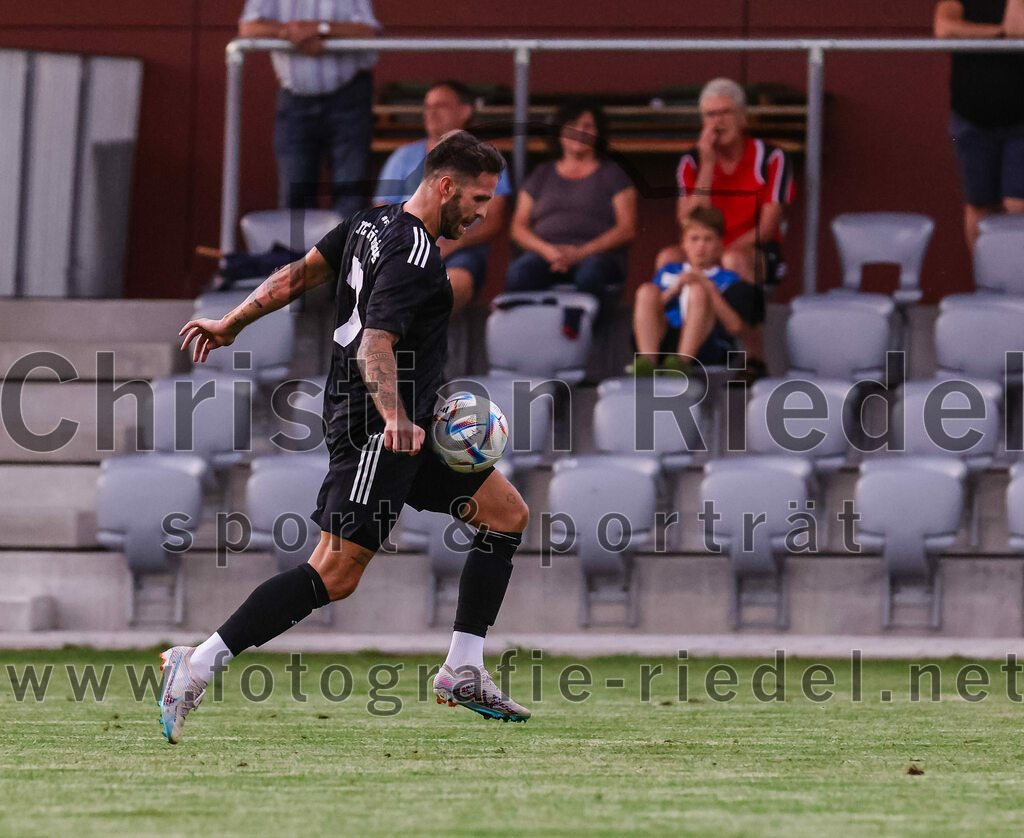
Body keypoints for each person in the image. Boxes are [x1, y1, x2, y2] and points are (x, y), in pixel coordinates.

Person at [161, 131, 530, 744]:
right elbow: (374, 344)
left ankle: (463, 667)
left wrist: (231, 322)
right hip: (377, 432)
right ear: (446, 187)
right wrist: (394, 417)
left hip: (408, 429)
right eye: (479, 199)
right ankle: (196, 664)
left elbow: (299, 274)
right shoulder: (415, 256)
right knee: (334, 574)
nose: (483, 213)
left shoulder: (370, 223)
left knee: (506, 513)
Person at [658, 78, 794, 376]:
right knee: (668, 258)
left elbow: (767, 226)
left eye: (725, 113)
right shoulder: (692, 160)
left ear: (742, 117)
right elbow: (688, 221)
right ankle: (671, 351)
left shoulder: (772, 157)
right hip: (704, 245)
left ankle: (754, 357)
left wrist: (720, 253)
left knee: (734, 260)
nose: (717, 122)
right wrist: (708, 165)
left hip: (754, 249)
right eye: (710, 115)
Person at [373, 82, 512, 312]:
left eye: (441, 106)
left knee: (453, 284)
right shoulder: (402, 157)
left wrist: (456, 242)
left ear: (465, 111)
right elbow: (382, 213)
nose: (431, 112)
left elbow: (494, 218)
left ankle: (417, 329)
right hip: (405, 248)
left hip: (461, 250)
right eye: (427, 107)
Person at [239, 0, 381, 218]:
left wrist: (320, 29)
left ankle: (347, 242)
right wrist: (291, 33)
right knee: (295, 194)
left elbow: (367, 31)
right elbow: (248, 27)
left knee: (350, 192)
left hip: (348, 98)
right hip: (295, 102)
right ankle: (299, 243)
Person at [506, 98, 637, 311]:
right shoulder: (541, 174)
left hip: (597, 256)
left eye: (588, 126)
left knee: (591, 273)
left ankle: (577, 328)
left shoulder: (614, 174)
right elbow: (518, 227)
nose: (580, 132)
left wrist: (580, 253)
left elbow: (626, 229)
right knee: (520, 272)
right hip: (546, 255)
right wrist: (549, 251)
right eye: (572, 126)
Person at [934, 0, 1024, 250]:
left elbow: (1018, 30)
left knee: (1018, 206)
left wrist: (977, 33)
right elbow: (945, 29)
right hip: (971, 118)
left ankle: (1015, 272)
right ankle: (984, 272)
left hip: (1021, 119)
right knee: (980, 205)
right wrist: (997, 33)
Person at [631, 206, 761, 378]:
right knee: (646, 291)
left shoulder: (729, 279)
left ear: (719, 243)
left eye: (708, 239)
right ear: (683, 242)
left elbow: (735, 327)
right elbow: (648, 310)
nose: (701, 246)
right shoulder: (669, 272)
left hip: (707, 345)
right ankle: (647, 363)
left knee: (697, 291)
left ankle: (681, 365)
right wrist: (674, 290)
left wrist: (708, 287)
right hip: (664, 340)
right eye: (694, 239)